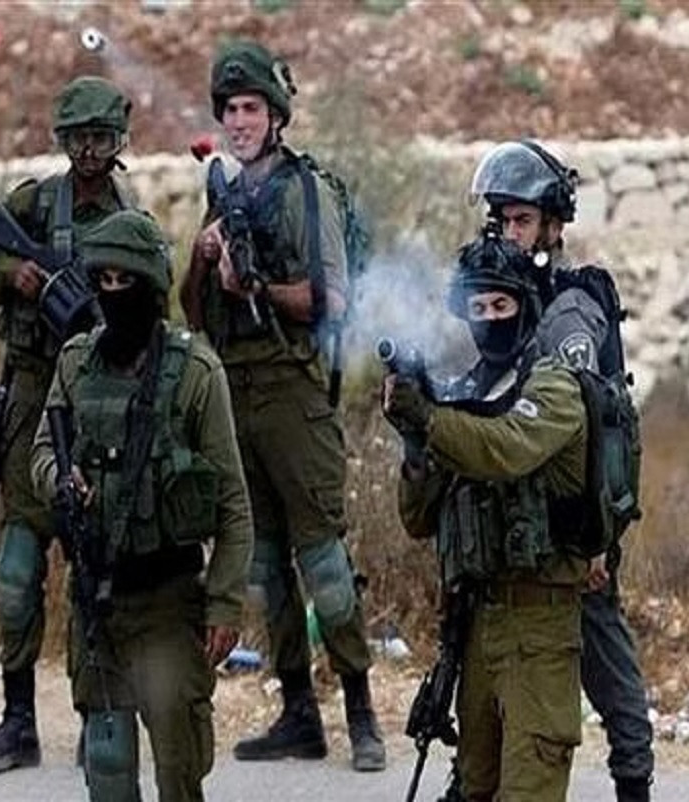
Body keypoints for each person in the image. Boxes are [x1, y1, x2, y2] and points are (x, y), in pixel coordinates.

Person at [178, 39, 385, 771]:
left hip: (294, 393)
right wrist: (203, 258)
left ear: (275, 116)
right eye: (230, 110)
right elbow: (193, 315)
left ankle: (361, 711)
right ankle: (298, 712)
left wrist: (256, 287)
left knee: (324, 565)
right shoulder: (223, 194)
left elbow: (334, 299)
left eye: (250, 108)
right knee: (264, 565)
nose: (238, 122)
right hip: (233, 396)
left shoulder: (306, 191)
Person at [31, 209, 253, 801]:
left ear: (151, 286)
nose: (113, 293)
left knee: (179, 769)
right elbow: (42, 453)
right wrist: (61, 478)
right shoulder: (75, 361)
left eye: (124, 281)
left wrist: (225, 602)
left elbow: (233, 502)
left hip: (169, 602)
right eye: (102, 281)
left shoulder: (195, 372)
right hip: (96, 601)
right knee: (107, 771)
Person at [0, 74, 136, 773]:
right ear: (63, 141)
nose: (89, 151)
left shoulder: (131, 219)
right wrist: (14, 274)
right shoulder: (34, 205)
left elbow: (155, 305)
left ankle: (98, 716)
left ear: (118, 142)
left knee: (95, 576)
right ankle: (18, 720)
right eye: (79, 138)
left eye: (101, 138)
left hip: (101, 405)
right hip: (33, 399)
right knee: (16, 572)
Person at [387, 233, 608, 802]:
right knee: (473, 787)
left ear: (525, 307)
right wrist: (415, 443)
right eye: (478, 307)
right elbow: (417, 519)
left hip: (540, 626)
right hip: (478, 624)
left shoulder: (553, 385)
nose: (489, 319)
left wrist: (432, 421)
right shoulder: (465, 392)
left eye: (501, 304)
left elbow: (506, 448)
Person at [469, 140, 655, 801]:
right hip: (515, 517)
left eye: (522, 220)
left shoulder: (569, 309)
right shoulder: (502, 296)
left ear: (552, 225)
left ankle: (634, 781)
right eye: (501, 220)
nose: (509, 234)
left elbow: (596, 427)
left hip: (575, 522)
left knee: (602, 652)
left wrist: (597, 539)